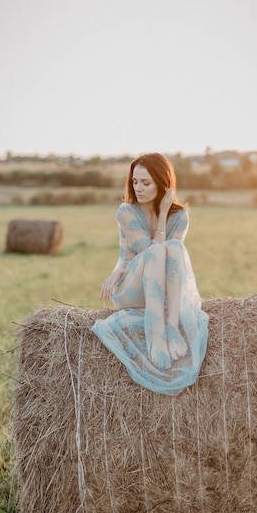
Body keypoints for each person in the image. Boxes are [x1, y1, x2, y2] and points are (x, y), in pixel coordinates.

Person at [91, 153, 209, 396]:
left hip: (163, 291)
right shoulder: (126, 212)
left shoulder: (180, 217)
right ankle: (156, 336)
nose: (138, 188)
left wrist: (166, 212)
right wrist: (121, 267)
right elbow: (151, 252)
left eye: (146, 183)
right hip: (131, 288)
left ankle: (171, 326)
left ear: (162, 183)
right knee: (157, 252)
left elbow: (172, 261)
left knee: (175, 247)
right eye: (135, 182)